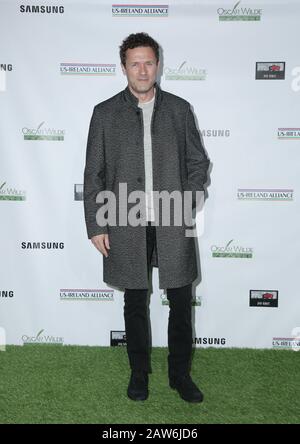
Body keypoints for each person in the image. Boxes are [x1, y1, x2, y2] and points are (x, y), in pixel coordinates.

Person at [84, 33, 210, 403]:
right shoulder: (104, 114)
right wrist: (96, 225)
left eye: (149, 62)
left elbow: (198, 164)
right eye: (135, 63)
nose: (142, 70)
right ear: (123, 67)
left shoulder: (179, 109)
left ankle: (179, 375)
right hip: (124, 221)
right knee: (135, 303)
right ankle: (139, 374)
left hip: (173, 220)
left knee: (182, 303)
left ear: (158, 65)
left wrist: (188, 200)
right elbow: (93, 175)